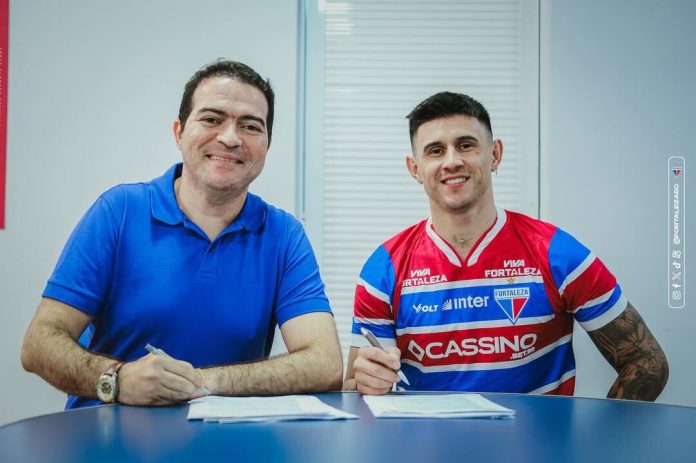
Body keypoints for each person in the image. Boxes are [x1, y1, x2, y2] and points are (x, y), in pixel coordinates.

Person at [21, 60, 343, 408]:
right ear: (179, 132)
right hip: (107, 434)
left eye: (250, 126)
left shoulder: (284, 235)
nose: (230, 138)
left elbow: (324, 363)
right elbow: (40, 343)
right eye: (212, 119)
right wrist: (118, 379)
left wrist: (200, 381)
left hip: (227, 435)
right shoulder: (119, 211)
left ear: (267, 144)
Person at [344, 91, 668, 401]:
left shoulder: (557, 254)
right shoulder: (383, 270)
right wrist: (367, 382)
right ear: (415, 169)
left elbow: (647, 362)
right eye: (435, 151)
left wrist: (602, 439)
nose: (452, 161)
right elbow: (353, 388)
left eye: (466, 145)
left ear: (495, 154)